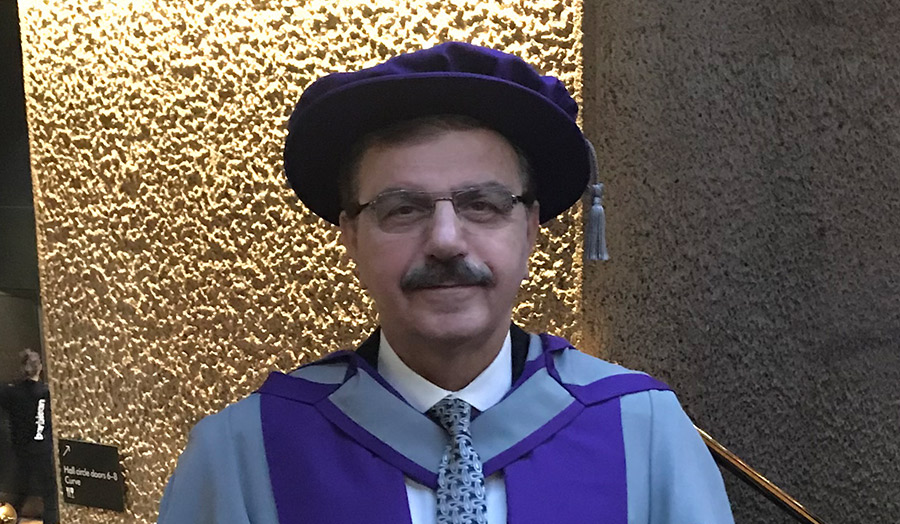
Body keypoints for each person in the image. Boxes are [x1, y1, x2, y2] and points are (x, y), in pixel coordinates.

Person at [158, 42, 733, 523]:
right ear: (351, 237)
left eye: (483, 204)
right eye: (401, 209)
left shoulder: (645, 431)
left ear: (531, 227)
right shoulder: (242, 453)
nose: (446, 240)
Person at [0, 349, 59, 524]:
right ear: (39, 368)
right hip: (43, 449)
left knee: (18, 494)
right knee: (50, 497)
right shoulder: (46, 392)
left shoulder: (11, 392)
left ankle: (7, 520)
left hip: (20, 451)